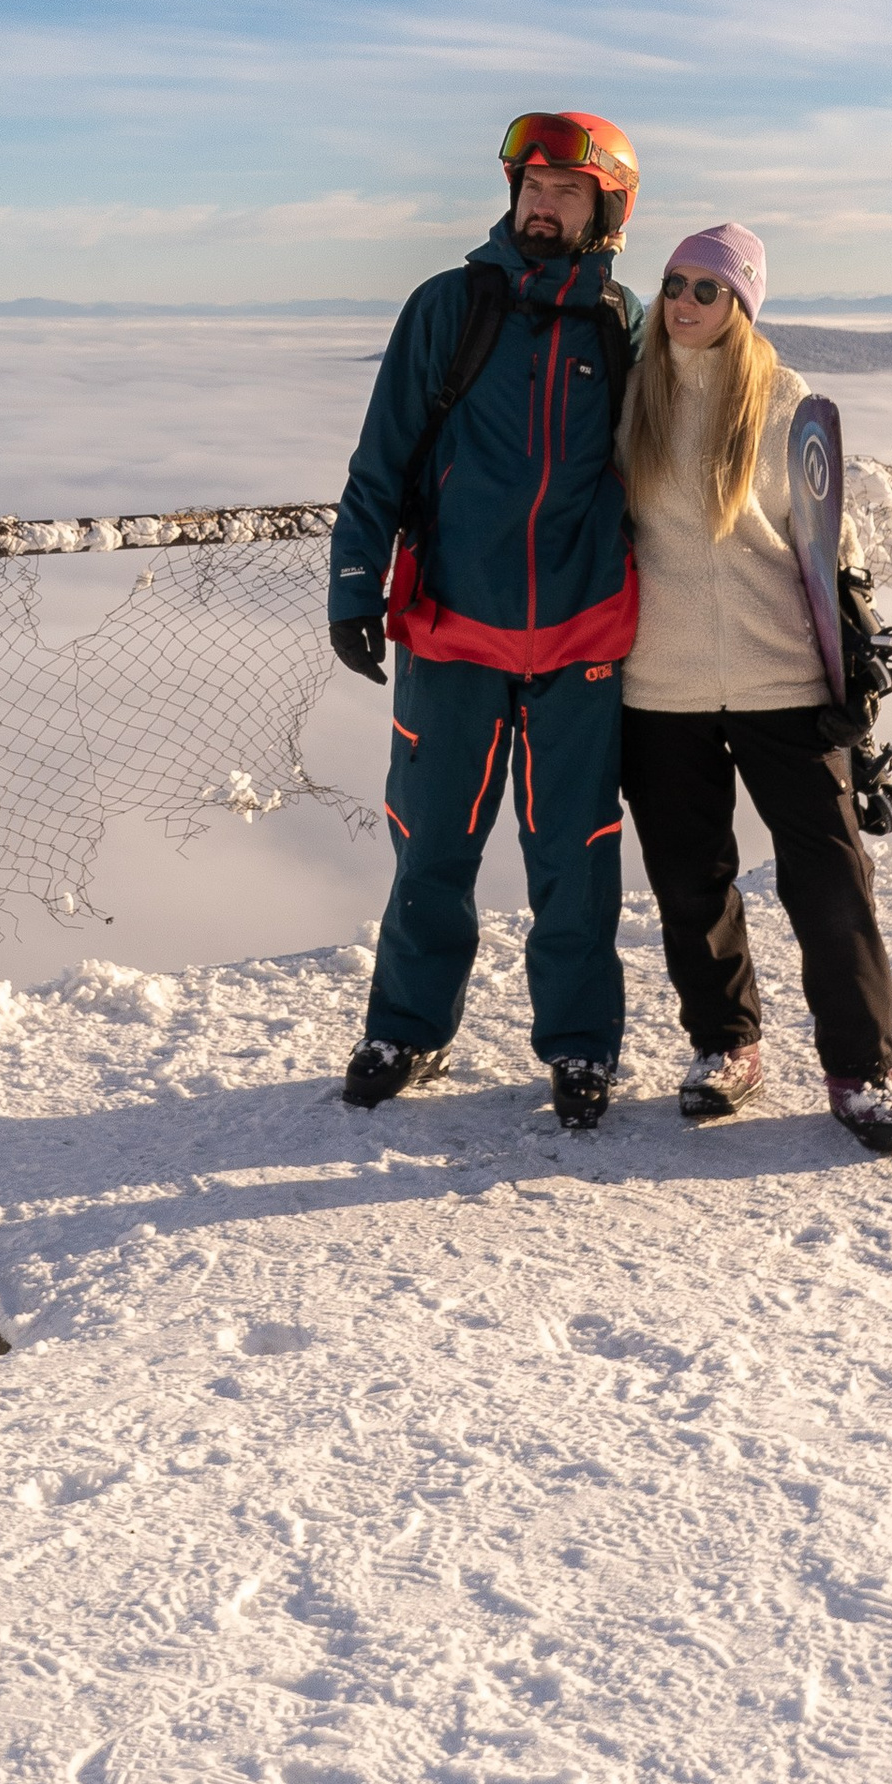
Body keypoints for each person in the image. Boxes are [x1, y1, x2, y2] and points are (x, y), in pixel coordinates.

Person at [328, 112, 642, 1131]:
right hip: (452, 626)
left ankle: (582, 1048)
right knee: (432, 847)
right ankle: (408, 1028)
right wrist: (352, 583)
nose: (543, 204)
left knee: (577, 851)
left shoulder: (621, 323)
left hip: (582, 631)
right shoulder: (448, 307)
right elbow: (382, 458)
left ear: (606, 210)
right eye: (531, 186)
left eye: (567, 190)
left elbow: (668, 473)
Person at [616, 222, 892, 1156]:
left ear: (743, 304)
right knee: (689, 880)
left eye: (707, 289)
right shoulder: (634, 399)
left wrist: (856, 646)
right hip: (658, 684)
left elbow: (832, 547)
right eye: (672, 283)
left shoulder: (785, 404)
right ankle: (726, 1046)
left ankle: (862, 1070)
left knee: (830, 879)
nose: (683, 303)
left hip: (780, 678)